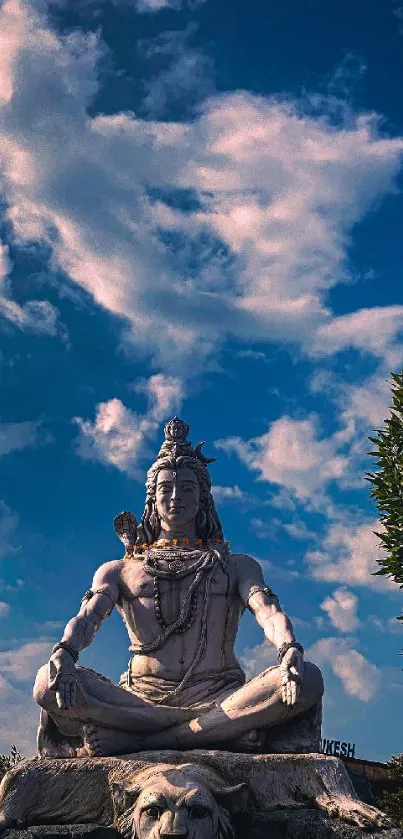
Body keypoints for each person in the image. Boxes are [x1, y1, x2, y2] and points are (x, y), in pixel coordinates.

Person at [33, 418, 323, 758]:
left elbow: (268, 612)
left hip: (220, 695)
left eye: (187, 488)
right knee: (45, 682)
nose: (175, 498)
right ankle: (213, 731)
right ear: (152, 500)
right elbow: (87, 618)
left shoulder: (235, 565)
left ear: (203, 498)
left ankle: (144, 740)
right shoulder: (121, 569)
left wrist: (289, 650)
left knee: (309, 679)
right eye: (166, 489)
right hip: (141, 699)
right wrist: (64, 654)